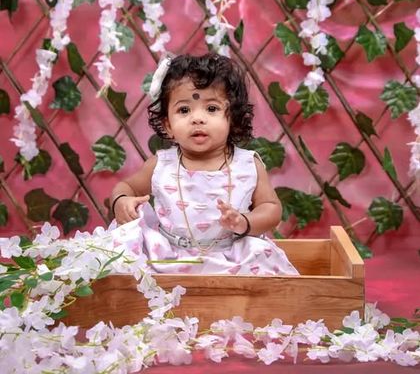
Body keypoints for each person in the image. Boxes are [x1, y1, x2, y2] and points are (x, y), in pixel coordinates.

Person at [110, 53, 299, 276]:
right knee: (125, 267)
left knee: (261, 279)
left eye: (211, 109)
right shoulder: (161, 165)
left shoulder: (247, 164)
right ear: (168, 124)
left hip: (232, 259)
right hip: (168, 260)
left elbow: (271, 208)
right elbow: (126, 186)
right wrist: (122, 201)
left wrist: (244, 221)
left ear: (233, 119)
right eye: (184, 110)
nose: (197, 118)